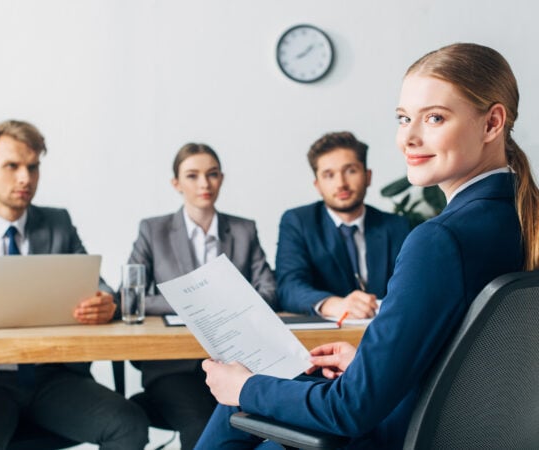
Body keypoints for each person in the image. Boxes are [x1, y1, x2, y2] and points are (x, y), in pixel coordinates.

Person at [194, 42, 539, 449]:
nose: (408, 137)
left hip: (393, 434)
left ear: (492, 123)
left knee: (240, 399)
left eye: (434, 118)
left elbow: (349, 409)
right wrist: (366, 364)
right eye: (403, 118)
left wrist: (245, 388)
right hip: (448, 429)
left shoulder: (440, 241)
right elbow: (467, 369)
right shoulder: (515, 221)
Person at [0, 120, 149, 449]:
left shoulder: (57, 223)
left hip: (52, 377)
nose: (26, 178)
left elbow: (100, 286)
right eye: (12, 166)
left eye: (33, 167)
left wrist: (106, 302)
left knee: (130, 424)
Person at [126, 142, 276, 449]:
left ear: (222, 178)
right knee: (201, 424)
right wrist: (197, 305)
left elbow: (270, 291)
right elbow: (131, 298)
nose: (204, 184)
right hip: (173, 366)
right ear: (176, 183)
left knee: (264, 425)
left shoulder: (243, 230)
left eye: (212, 174)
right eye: (192, 176)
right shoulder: (153, 230)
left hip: (237, 361)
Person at [276, 132, 410, 319]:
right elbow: (289, 286)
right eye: (329, 175)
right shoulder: (298, 222)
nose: (341, 184)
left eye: (351, 171)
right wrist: (333, 305)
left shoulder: (397, 226)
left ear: (368, 176)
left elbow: (411, 287)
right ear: (318, 185)